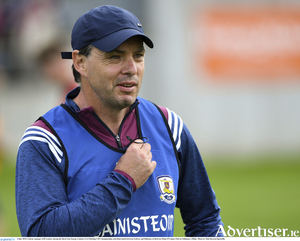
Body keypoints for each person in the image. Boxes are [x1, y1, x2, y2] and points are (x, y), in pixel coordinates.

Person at [15, 5, 223, 237]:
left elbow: (206, 220)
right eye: (115, 56)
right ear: (80, 62)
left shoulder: (169, 125)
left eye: (138, 56)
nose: (131, 68)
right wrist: (124, 180)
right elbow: (42, 234)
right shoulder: (45, 140)